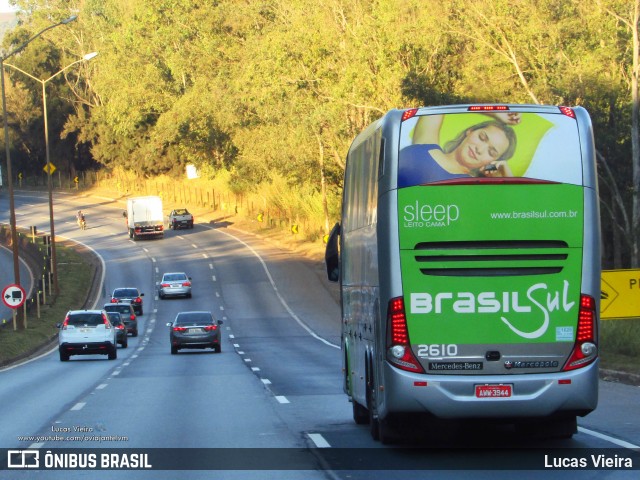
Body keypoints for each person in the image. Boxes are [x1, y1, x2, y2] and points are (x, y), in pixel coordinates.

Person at [398, 111, 520, 187]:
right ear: (470, 131)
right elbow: (439, 103)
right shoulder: (426, 143)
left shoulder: (475, 188)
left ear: (492, 162)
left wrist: (504, 175)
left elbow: (517, 211)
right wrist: (496, 113)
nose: (480, 149)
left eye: (491, 152)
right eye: (482, 137)